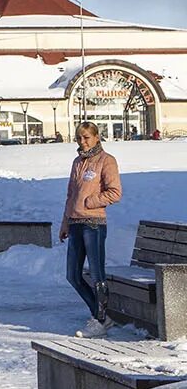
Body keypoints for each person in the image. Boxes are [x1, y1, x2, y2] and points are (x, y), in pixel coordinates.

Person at [61, 122, 123, 336]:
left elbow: (115, 192)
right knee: (73, 275)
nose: (82, 142)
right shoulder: (77, 162)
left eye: (86, 137)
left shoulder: (106, 161)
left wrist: (90, 201)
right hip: (75, 224)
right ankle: (102, 316)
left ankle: (99, 320)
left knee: (97, 274)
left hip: (94, 224)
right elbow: (70, 195)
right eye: (79, 138)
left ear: (97, 137)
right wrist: (65, 222)